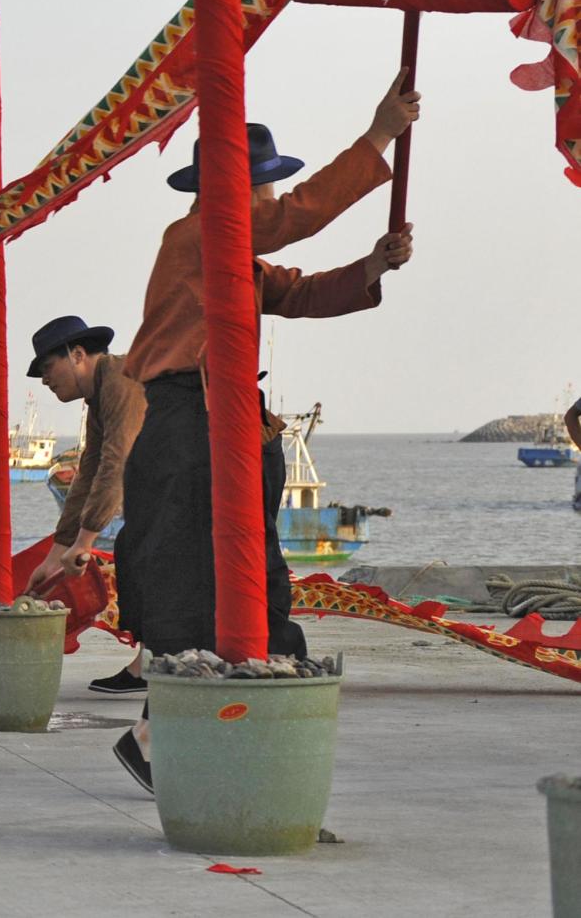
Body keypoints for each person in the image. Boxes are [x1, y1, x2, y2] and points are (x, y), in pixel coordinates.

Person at [106, 78, 421, 791]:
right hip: (190, 423)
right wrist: (377, 136)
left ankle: (161, 735)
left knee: (239, 582)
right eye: (264, 187)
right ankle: (160, 735)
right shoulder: (197, 235)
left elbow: (300, 290)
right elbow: (303, 218)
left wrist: (372, 265)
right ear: (229, 190)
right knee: (201, 582)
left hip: (212, 421)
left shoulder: (226, 257)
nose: (274, 199)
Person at [20, 315, 147, 694]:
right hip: (194, 476)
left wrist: (86, 541)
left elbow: (116, 463)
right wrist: (55, 555)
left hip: (238, 459)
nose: (45, 379)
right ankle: (152, 663)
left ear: (77, 355)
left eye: (48, 367)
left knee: (147, 551)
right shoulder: (99, 397)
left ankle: (153, 667)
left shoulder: (120, 382)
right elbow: (87, 473)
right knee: (138, 549)